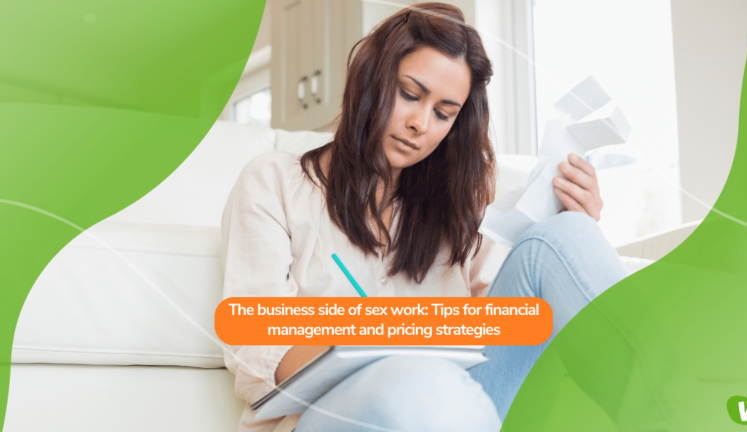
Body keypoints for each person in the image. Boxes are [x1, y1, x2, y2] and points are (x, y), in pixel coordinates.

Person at [221, 3, 627, 431]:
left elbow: (499, 336)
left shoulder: (458, 205)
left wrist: (578, 222)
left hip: (461, 412)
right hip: (334, 415)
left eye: (443, 113)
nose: (419, 123)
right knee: (415, 380)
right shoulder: (273, 183)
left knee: (563, 234)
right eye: (409, 94)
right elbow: (258, 360)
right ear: (371, 79)